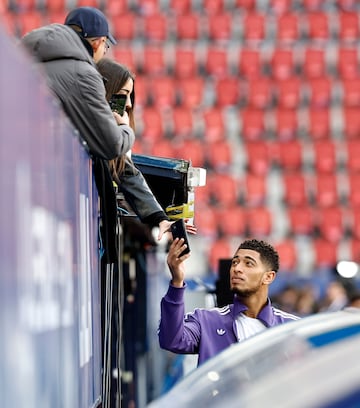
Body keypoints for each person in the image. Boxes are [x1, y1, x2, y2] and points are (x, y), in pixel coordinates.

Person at [158, 238, 300, 366]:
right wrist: (177, 282)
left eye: (248, 263)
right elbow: (171, 340)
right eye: (235, 262)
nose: (237, 269)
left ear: (268, 277)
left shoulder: (292, 327)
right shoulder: (206, 320)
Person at [21, 6, 135, 160]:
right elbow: (111, 145)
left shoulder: (26, 56)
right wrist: (124, 128)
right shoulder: (84, 75)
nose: (104, 52)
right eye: (105, 46)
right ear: (97, 43)